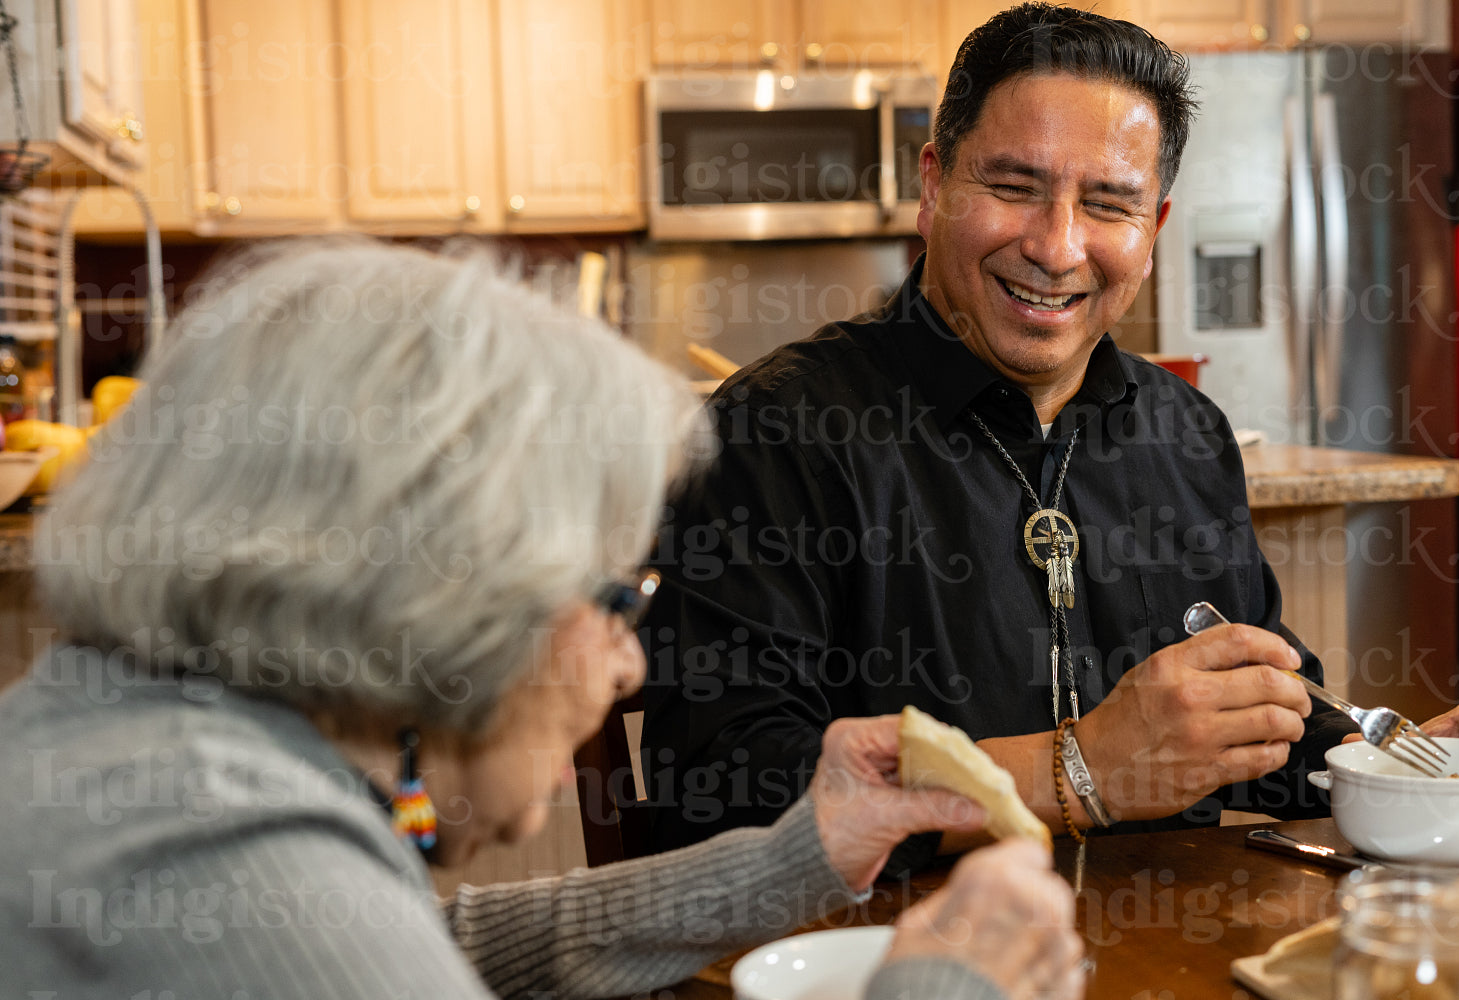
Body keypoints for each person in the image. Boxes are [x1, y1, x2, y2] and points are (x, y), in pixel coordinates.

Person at [0, 240, 1084, 1000]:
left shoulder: (159, 744)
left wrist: (800, 856)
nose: (624, 667)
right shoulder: (222, 861)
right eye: (618, 597)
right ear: (453, 593)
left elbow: (435, 945)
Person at [641, 1, 1459, 869]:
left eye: (1108, 204)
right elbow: (717, 796)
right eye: (1014, 188)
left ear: (1153, 230)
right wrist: (1080, 770)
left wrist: (1418, 760)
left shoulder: (1186, 433)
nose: (1056, 247)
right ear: (934, 187)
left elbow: (1255, 741)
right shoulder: (775, 429)